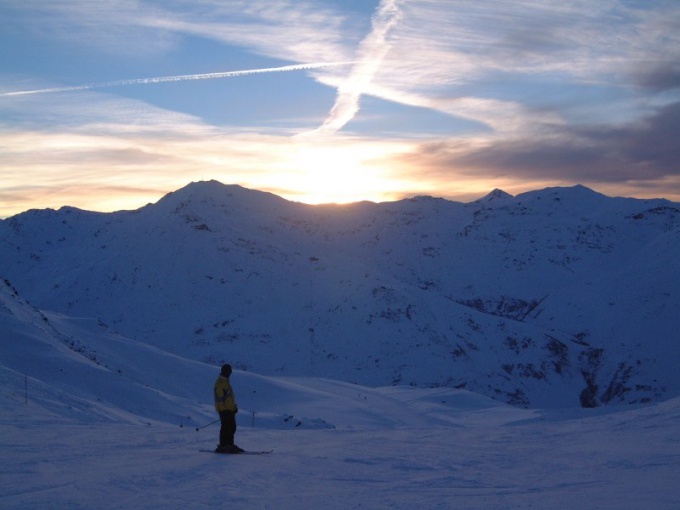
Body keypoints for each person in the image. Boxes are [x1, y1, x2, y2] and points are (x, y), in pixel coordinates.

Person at [213, 364, 243, 453]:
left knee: (232, 427)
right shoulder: (220, 383)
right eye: (228, 371)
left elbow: (229, 398)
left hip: (229, 410)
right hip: (224, 410)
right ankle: (223, 446)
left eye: (230, 371)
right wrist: (223, 410)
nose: (229, 373)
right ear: (224, 371)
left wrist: (234, 408)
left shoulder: (226, 382)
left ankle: (229, 444)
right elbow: (219, 399)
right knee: (226, 428)